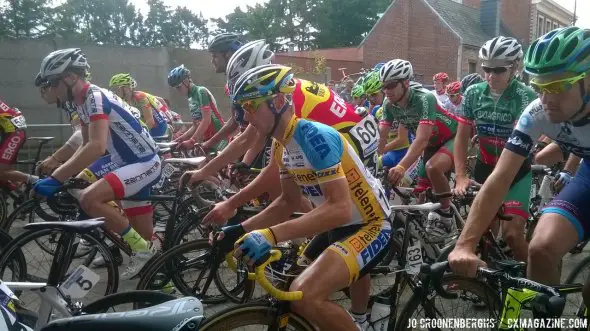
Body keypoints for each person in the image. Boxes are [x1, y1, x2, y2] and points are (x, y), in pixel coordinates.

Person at [221, 64, 392, 331]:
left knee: (305, 295)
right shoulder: (281, 144)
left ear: (278, 101)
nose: (244, 116)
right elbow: (287, 203)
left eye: (251, 106)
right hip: (336, 228)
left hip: (370, 225)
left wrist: (270, 235)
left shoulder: (313, 136)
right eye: (242, 108)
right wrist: (240, 229)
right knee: (286, 286)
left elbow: (339, 209)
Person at [448, 27, 590, 296]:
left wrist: (566, 162)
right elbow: (500, 177)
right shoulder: (537, 110)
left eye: (556, 87)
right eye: (539, 87)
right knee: (539, 249)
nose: (545, 100)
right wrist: (464, 245)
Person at [33, 48, 160, 279]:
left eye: (52, 83)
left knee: (89, 198)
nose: (50, 90)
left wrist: (56, 177)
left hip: (144, 162)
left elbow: (96, 147)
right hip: (123, 162)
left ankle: (140, 249)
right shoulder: (81, 102)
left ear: (70, 78)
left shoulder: (94, 98)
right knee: (79, 185)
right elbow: (85, 143)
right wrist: (61, 174)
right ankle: (158, 276)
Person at [453, 36, 536, 262]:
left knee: (512, 235)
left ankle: (534, 281)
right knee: (483, 233)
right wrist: (461, 176)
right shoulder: (473, 93)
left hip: (516, 173)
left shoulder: (525, 96)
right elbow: (460, 137)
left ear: (515, 67)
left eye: (498, 70)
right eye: (486, 69)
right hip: (485, 168)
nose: (490, 76)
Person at [379, 59, 459, 242]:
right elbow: (380, 138)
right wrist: (371, 158)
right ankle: (425, 242)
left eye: (391, 85)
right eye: (383, 86)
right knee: (419, 193)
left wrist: (401, 167)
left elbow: (421, 139)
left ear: (405, 82)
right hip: (431, 145)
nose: (386, 91)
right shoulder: (388, 104)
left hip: (453, 137)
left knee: (433, 168)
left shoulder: (425, 98)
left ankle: (447, 217)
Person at [203, 39, 275, 169]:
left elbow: (254, 131)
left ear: (228, 54)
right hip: (250, 139)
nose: (212, 61)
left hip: (262, 140)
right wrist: (210, 143)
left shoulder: (255, 86)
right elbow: (236, 119)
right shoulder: (230, 85)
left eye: (215, 56)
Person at [168, 65, 227, 151]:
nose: (178, 90)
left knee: (214, 164)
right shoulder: (190, 98)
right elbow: (196, 125)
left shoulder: (201, 91)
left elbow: (206, 120)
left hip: (219, 137)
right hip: (207, 139)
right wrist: (178, 140)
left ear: (186, 80)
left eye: (178, 87)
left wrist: (192, 141)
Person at [34, 73, 83, 176]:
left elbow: (81, 136)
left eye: (43, 89)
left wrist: (56, 158)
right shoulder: (66, 104)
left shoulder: (72, 102)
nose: (42, 95)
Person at [363, 70, 410, 170]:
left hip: (406, 152)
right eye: (369, 95)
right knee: (368, 169)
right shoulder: (376, 110)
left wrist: (378, 151)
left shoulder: (399, 107)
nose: (372, 98)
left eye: (374, 94)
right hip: (391, 153)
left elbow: (402, 140)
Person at [108, 73, 170, 139]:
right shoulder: (123, 101)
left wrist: (138, 136)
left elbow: (150, 121)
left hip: (158, 127)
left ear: (126, 88)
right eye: (113, 89)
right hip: (148, 127)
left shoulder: (140, 97)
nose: (114, 92)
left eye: (117, 89)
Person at [0, 98, 33, 186]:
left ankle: (38, 182)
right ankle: (16, 194)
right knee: (4, 173)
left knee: (1, 172)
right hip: (11, 131)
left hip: (14, 133)